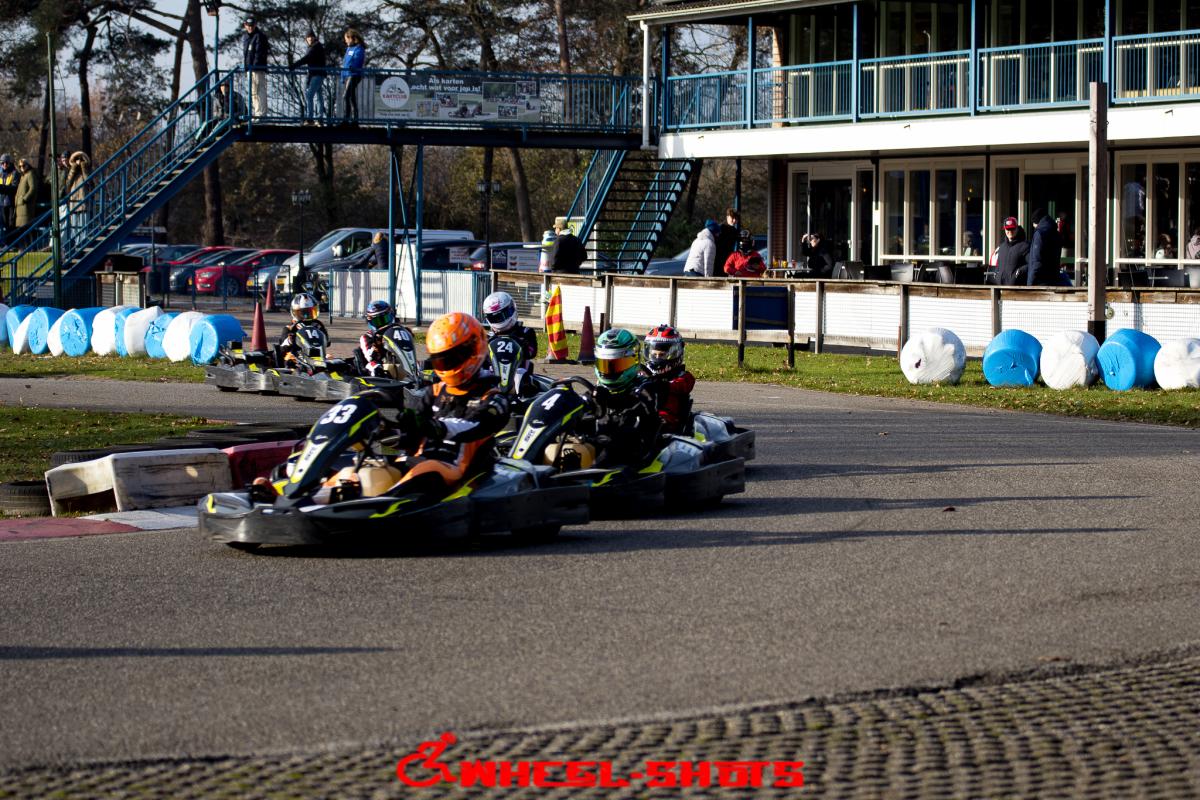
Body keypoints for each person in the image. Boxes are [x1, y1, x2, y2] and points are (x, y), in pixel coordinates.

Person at [389, 312, 510, 492]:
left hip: (457, 475)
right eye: (440, 361)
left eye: (450, 360)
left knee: (424, 470)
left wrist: (436, 427)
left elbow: (477, 426)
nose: (446, 366)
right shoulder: (434, 391)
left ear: (472, 350)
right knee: (371, 472)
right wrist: (389, 429)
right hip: (420, 464)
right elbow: (411, 436)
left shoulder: (493, 397)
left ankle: (383, 505)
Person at [590, 328, 661, 467]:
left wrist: (606, 400)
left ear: (633, 361)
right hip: (601, 439)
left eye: (615, 365)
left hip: (634, 450)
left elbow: (636, 404)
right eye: (604, 365)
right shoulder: (599, 390)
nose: (608, 371)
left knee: (610, 447)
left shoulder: (647, 387)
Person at [641, 324, 695, 435]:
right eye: (654, 354)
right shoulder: (642, 373)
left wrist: (663, 385)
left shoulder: (682, 376)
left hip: (666, 419)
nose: (657, 358)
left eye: (662, 355)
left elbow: (684, 385)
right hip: (641, 414)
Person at [481, 291, 538, 364]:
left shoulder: (525, 332)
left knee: (528, 365)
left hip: (517, 368)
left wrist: (521, 345)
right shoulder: (488, 337)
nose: (499, 320)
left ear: (512, 309)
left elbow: (531, 353)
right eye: (495, 318)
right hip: (493, 369)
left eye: (503, 315)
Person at [356, 299, 399, 377]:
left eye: (385, 319)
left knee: (418, 365)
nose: (383, 324)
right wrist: (377, 344)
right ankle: (382, 381)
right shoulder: (367, 337)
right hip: (380, 365)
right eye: (378, 321)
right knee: (374, 366)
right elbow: (370, 357)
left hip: (398, 362)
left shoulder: (397, 332)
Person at [292, 30, 327, 124]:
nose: (310, 38)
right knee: (319, 96)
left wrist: (295, 65)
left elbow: (307, 58)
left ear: (314, 37)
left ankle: (310, 118)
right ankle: (319, 118)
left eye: (311, 36)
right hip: (316, 74)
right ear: (306, 39)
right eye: (308, 37)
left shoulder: (316, 47)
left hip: (317, 74)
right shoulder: (313, 47)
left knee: (309, 95)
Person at [279, 292, 325, 364]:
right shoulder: (289, 328)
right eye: (303, 313)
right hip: (297, 356)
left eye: (310, 312)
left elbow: (327, 342)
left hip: (317, 356)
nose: (306, 315)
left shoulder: (317, 327)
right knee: (289, 358)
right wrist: (290, 340)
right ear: (294, 313)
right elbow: (282, 348)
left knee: (330, 358)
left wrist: (323, 334)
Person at [242, 18, 270, 118]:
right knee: (253, 92)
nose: (250, 27)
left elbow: (259, 53)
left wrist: (254, 66)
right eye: (248, 25)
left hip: (257, 69)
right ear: (245, 25)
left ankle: (261, 114)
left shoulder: (259, 36)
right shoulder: (246, 37)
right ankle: (257, 113)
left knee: (259, 91)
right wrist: (246, 68)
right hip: (250, 69)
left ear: (255, 25)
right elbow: (246, 54)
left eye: (252, 25)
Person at [1027, 208, 1063, 286]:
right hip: (1054, 280)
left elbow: (1037, 260)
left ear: (1036, 222)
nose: (1033, 226)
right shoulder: (1055, 233)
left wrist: (1030, 282)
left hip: (1040, 281)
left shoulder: (1039, 234)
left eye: (1033, 224)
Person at [64, 151, 91, 247]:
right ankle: (77, 245)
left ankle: (83, 244)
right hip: (74, 205)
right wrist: (74, 167)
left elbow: (89, 182)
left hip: (83, 204)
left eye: (81, 159)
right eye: (77, 159)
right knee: (74, 228)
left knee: (83, 227)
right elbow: (67, 185)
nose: (79, 161)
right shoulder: (71, 172)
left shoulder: (86, 171)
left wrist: (83, 167)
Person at [340, 29, 366, 125]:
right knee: (351, 97)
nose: (345, 41)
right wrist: (342, 76)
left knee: (346, 96)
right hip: (348, 75)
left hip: (354, 75)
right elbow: (345, 63)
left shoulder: (359, 48)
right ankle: (355, 120)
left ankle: (346, 119)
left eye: (346, 39)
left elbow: (358, 60)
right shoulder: (349, 49)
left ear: (351, 38)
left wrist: (352, 67)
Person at [995, 216, 1029, 286]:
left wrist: (1020, 271)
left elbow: (1031, 264)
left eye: (1012, 229)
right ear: (1005, 230)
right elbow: (998, 266)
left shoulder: (1025, 246)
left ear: (1017, 229)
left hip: (1017, 288)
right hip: (1000, 288)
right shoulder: (1002, 247)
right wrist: (997, 275)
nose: (1010, 231)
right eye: (1008, 229)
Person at [13, 158, 39, 236]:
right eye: (20, 166)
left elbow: (33, 188)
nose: (22, 168)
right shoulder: (23, 176)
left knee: (27, 230)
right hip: (20, 207)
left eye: (23, 165)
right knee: (22, 232)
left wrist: (24, 199)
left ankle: (30, 244)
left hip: (26, 207)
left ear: (27, 165)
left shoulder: (30, 174)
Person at [0, 155, 17, 237]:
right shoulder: (0, 174)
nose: (5, 164)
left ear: (10, 163)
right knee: (3, 226)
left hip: (10, 203)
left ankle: (12, 242)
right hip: (1, 204)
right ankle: (6, 242)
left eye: (6, 162)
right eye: (2, 163)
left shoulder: (14, 173)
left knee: (10, 225)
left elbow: (14, 188)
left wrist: (2, 188)